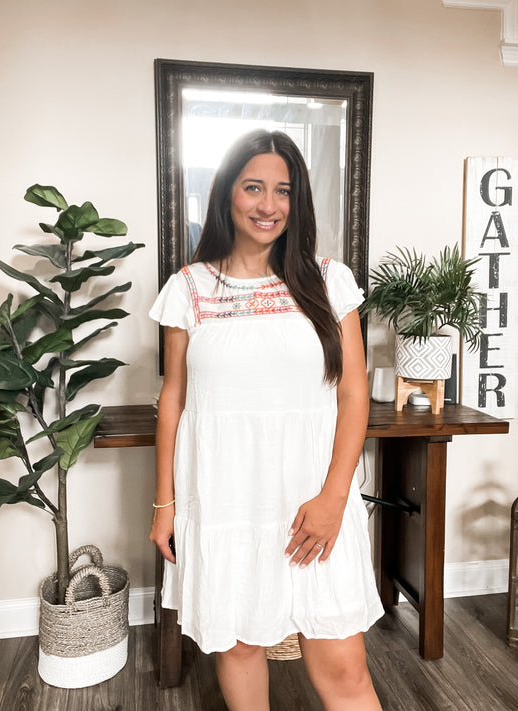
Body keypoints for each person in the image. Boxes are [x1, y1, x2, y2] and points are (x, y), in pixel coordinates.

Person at [149, 129, 384, 711]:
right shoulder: (189, 288)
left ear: (296, 202)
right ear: (226, 192)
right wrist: (163, 505)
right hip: (224, 502)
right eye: (253, 187)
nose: (268, 205)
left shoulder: (330, 281)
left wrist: (334, 499)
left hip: (312, 499)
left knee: (344, 666)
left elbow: (354, 394)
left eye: (283, 191)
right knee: (240, 648)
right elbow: (173, 398)